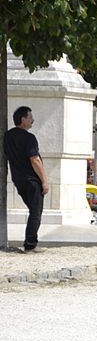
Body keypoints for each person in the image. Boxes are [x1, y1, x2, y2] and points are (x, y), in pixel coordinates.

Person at [3, 106, 49, 252]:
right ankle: (30, 244)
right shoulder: (29, 138)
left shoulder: (8, 136)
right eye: (30, 117)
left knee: (33, 210)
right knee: (36, 212)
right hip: (32, 180)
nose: (32, 120)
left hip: (18, 180)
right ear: (23, 120)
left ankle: (30, 241)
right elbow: (35, 159)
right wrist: (44, 180)